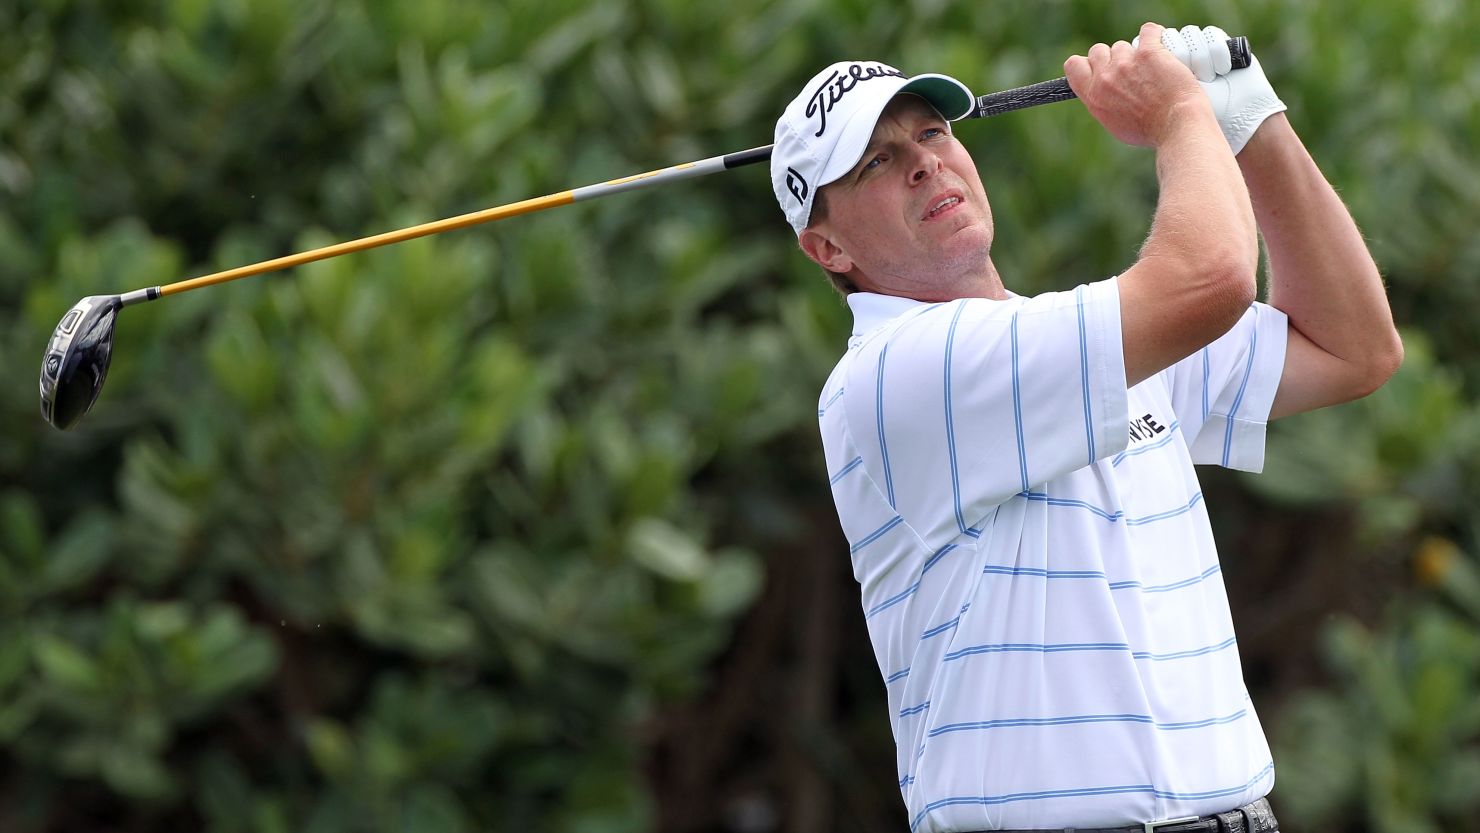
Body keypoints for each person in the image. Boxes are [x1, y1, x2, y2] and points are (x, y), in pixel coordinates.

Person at [769, 22, 1402, 833]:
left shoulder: (1085, 340)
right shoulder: (896, 373)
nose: (925, 160)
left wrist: (1251, 120)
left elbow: (1356, 349)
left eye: (930, 131)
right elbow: (1210, 276)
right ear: (826, 246)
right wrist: (1181, 116)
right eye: (876, 163)